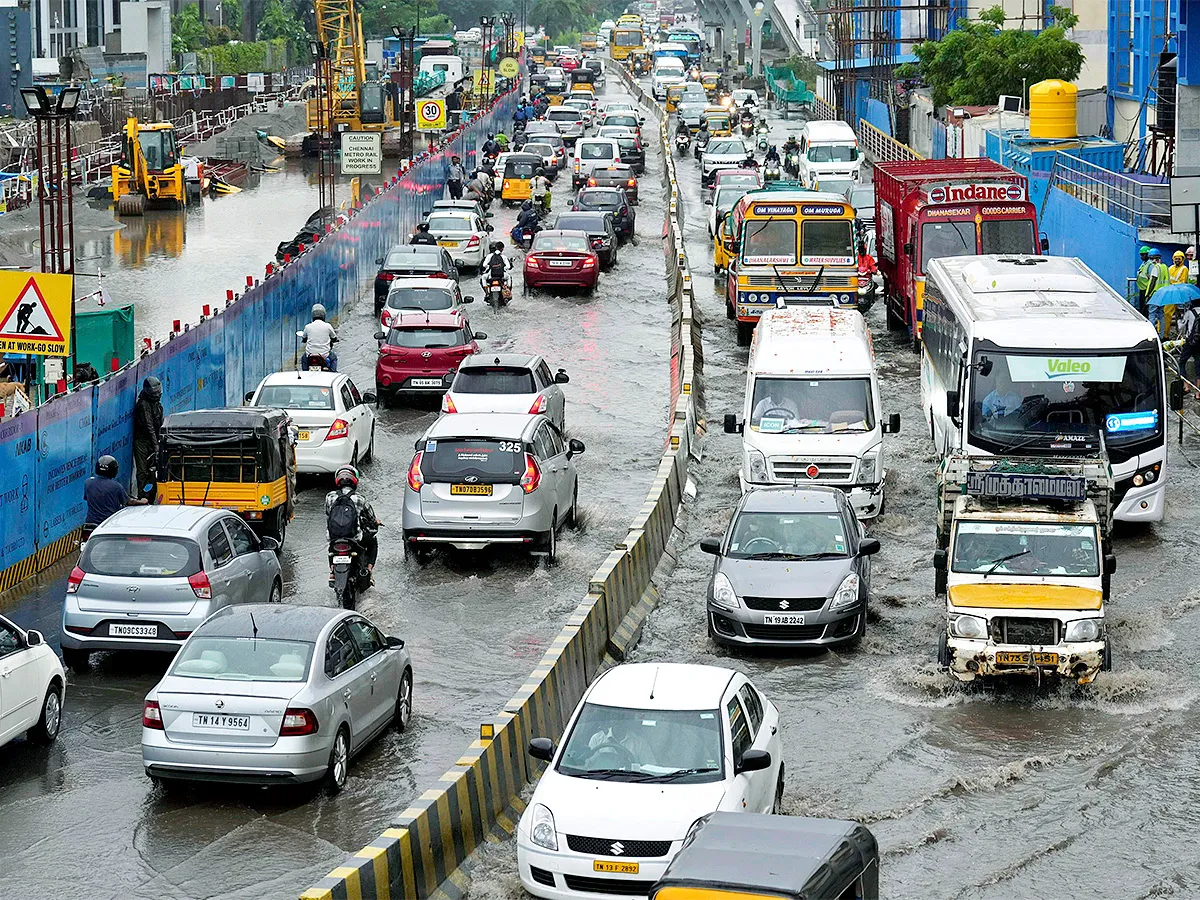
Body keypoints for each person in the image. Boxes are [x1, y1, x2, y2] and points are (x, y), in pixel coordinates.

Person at [324, 465, 380, 581]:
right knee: (372, 542)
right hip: (354, 537)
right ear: (355, 480)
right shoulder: (359, 498)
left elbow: (328, 514)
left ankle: (332, 571)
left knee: (331, 547)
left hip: (334, 536)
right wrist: (376, 522)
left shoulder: (330, 497)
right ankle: (369, 571)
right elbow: (371, 517)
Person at [84, 455, 146, 535]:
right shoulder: (116, 486)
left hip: (90, 524)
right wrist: (142, 501)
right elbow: (129, 502)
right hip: (109, 523)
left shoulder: (88, 482)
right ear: (114, 471)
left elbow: (87, 498)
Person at [132, 376, 163, 501]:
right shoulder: (143, 404)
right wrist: (156, 445)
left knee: (154, 469)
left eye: (158, 393)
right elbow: (148, 425)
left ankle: (151, 494)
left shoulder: (156, 403)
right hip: (143, 442)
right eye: (154, 394)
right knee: (143, 470)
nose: (157, 395)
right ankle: (142, 496)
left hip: (153, 439)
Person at [301, 303, 338, 371]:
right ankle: (333, 373)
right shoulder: (328, 326)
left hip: (310, 355)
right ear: (324, 315)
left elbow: (304, 337)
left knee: (303, 359)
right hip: (324, 355)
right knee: (334, 358)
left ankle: (305, 373)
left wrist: (304, 339)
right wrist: (334, 339)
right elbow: (334, 337)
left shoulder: (308, 327)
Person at [1145, 248, 1170, 334]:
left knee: (1152, 314)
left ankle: (1151, 334)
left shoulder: (1156, 268)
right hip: (1163, 295)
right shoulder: (1165, 267)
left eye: (1151, 258)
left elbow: (1152, 282)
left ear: (1155, 258)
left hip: (1155, 294)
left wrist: (1147, 295)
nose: (1151, 261)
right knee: (1161, 315)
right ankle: (1162, 335)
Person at [1136, 245, 1153, 312]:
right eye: (1141, 255)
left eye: (1143, 255)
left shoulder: (1150, 264)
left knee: (1145, 308)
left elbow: (1151, 278)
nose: (1142, 257)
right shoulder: (1144, 263)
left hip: (1147, 289)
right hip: (1142, 288)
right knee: (1142, 307)